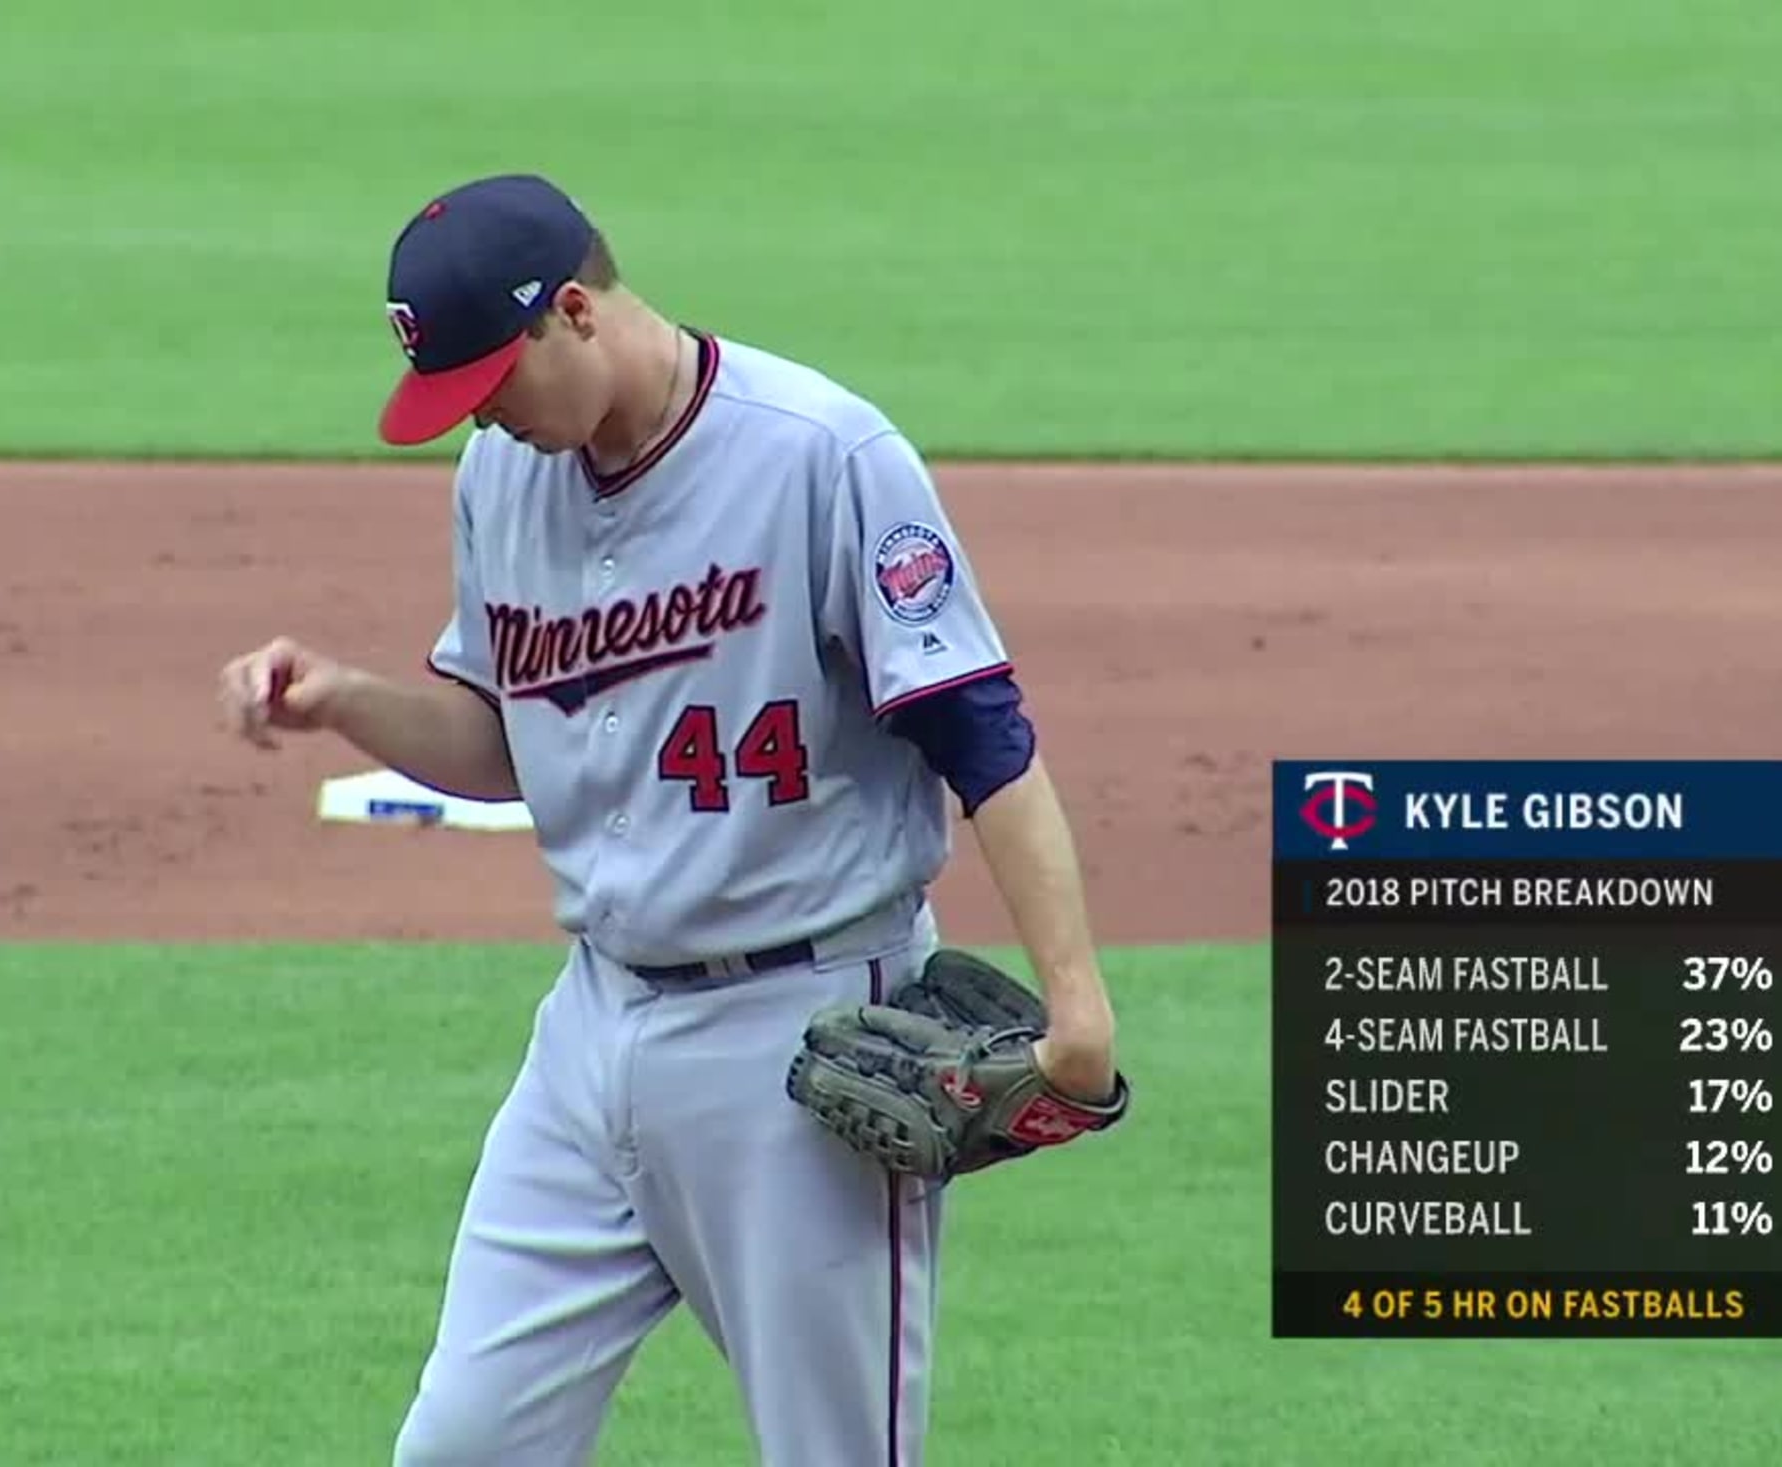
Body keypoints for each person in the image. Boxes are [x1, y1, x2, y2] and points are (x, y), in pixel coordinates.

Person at [216, 173, 1121, 1467]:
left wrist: (1078, 1009)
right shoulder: (502, 480)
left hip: (803, 1034)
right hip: (591, 1033)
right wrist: (350, 702)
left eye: (492, 386)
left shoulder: (821, 456)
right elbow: (511, 743)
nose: (487, 424)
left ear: (573, 313)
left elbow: (983, 739)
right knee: (460, 1449)